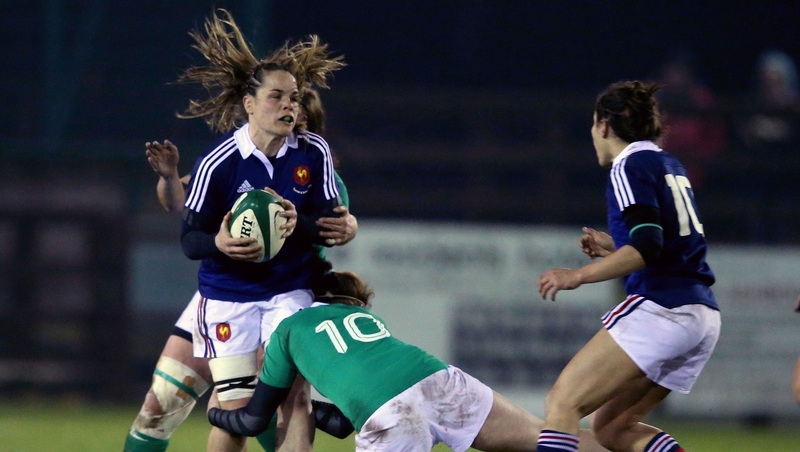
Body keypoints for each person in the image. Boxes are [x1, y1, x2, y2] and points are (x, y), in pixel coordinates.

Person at [131, 9, 350, 452]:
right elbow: (189, 230)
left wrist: (304, 226)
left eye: (295, 99)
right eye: (279, 97)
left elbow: (333, 223)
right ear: (250, 104)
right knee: (223, 413)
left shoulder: (314, 154)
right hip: (225, 296)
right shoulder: (220, 163)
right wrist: (217, 240)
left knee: (293, 401)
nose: (290, 107)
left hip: (289, 292)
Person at [206, 268, 609, 452]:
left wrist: (216, 412)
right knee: (549, 439)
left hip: (391, 415)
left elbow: (252, 420)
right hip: (440, 380)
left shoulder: (290, 330)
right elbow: (344, 420)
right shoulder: (365, 319)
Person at [535, 81, 721, 452]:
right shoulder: (668, 163)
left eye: (593, 125)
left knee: (563, 403)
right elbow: (666, 243)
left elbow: (648, 245)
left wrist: (578, 275)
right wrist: (615, 247)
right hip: (701, 313)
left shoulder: (628, 165)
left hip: (662, 307)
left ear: (604, 125)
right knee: (614, 426)